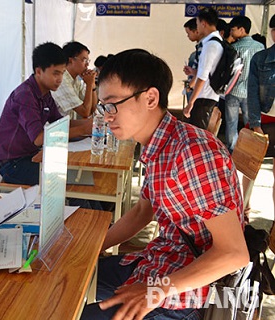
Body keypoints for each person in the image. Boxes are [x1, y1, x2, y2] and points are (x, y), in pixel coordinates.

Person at [81, 49, 248, 319]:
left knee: (72, 309)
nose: (106, 115)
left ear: (150, 98)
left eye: (112, 104)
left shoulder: (193, 154)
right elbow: (141, 212)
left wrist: (154, 291)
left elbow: (233, 253)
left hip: (186, 292)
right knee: (70, 274)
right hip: (160, 261)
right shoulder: (160, 144)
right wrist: (90, 248)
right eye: (103, 106)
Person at [0, 42, 91, 186]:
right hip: (13, 164)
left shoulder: (44, 92)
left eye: (62, 73)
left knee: (80, 177)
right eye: (55, 73)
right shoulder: (25, 96)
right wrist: (83, 129)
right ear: (39, 71)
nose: (60, 79)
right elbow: (39, 139)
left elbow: (61, 122)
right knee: (71, 183)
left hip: (31, 156)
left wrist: (90, 124)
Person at [246, 14, 275, 222]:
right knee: (249, 168)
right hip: (263, 120)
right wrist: (255, 123)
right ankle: (244, 210)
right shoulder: (261, 58)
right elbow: (252, 92)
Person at [224, 16, 264, 153]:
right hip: (251, 94)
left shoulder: (234, 47)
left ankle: (233, 150)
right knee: (251, 123)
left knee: (231, 123)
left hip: (233, 91)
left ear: (242, 30)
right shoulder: (260, 47)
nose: (231, 32)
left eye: (233, 30)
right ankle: (250, 151)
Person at [183, 7, 223, 129]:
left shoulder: (211, 45)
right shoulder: (214, 42)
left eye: (197, 24)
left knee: (198, 133)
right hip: (207, 95)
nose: (197, 27)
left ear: (203, 23)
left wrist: (191, 102)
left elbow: (203, 76)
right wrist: (194, 71)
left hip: (204, 96)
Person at [51, 41, 98, 118]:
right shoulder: (61, 80)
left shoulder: (76, 81)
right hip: (56, 128)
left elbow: (92, 110)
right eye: (84, 60)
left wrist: (92, 84)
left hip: (69, 126)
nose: (87, 65)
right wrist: (89, 84)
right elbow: (85, 112)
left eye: (88, 61)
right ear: (70, 60)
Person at [182, 18, 202, 103]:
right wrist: (191, 71)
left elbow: (201, 72)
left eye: (188, 33)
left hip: (197, 89)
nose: (188, 36)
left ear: (196, 31)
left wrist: (189, 86)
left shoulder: (202, 48)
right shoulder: (199, 48)